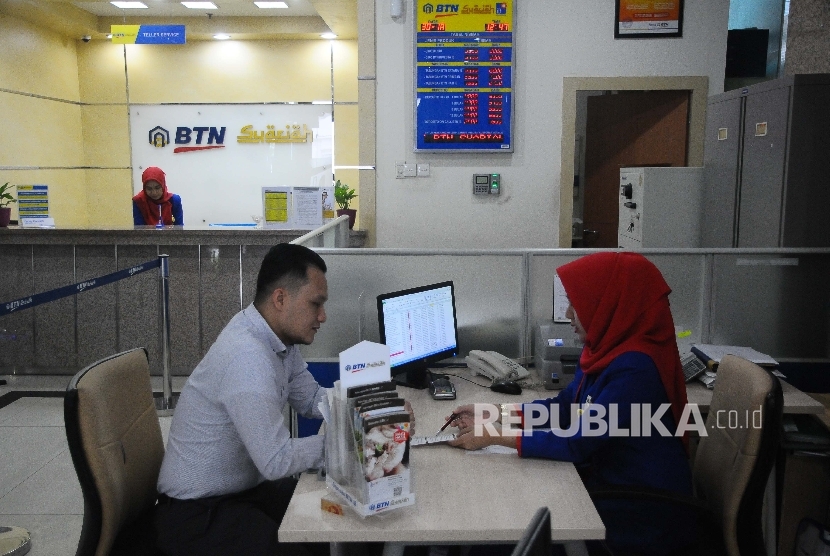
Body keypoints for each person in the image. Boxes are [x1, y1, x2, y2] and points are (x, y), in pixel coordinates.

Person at [447, 252, 695, 555]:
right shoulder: (605, 351)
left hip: (637, 510)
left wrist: (495, 435)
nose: (567, 314)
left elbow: (577, 442)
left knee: (496, 543)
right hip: (603, 483)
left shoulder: (635, 369)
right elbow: (565, 408)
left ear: (604, 305)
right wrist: (492, 412)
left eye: (575, 305)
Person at [154, 243, 330, 556]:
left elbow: (312, 398)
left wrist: (369, 406)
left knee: (329, 519)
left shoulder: (278, 341)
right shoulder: (247, 355)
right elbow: (277, 460)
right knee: (307, 546)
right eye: (315, 304)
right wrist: (353, 439)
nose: (323, 316)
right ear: (280, 298)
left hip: (244, 491)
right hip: (197, 516)